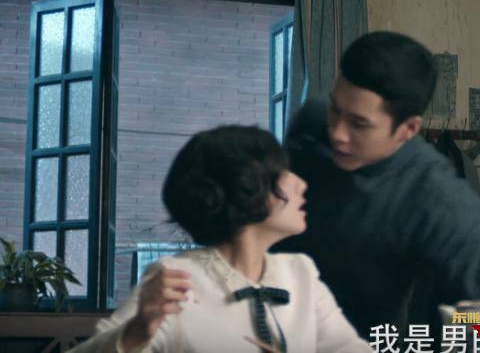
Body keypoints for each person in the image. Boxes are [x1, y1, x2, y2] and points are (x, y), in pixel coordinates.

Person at [273, 31, 480, 338]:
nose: (337, 132)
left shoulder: (435, 195)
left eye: (359, 124)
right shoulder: (312, 123)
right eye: (335, 109)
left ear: (408, 129)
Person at [72, 126, 371, 353]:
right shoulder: (176, 281)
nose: (301, 184)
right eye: (281, 172)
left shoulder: (300, 272)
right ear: (246, 188)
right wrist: (138, 330)